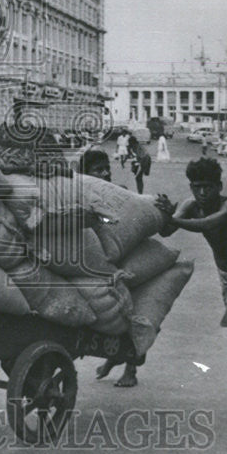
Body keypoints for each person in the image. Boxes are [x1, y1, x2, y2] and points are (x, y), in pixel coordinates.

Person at [155, 158, 227, 417]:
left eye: (208, 187)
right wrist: (164, 216)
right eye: (196, 187)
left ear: (219, 186)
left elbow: (207, 225)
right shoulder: (190, 206)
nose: (202, 193)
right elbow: (166, 232)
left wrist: (173, 219)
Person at [78, 149, 140, 388]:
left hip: (120, 258)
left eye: (106, 169)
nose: (104, 173)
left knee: (127, 312)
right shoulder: (80, 192)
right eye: (97, 170)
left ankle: (131, 369)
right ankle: (113, 359)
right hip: (94, 257)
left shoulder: (120, 192)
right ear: (85, 174)